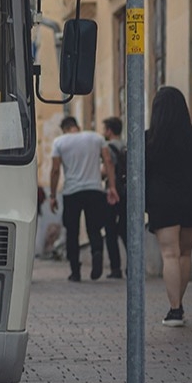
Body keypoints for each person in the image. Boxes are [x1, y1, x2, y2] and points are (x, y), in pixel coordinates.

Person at [144, 87, 192, 327]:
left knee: (170, 254)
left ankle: (175, 310)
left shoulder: (149, 138)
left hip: (163, 202)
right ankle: (178, 305)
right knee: (184, 254)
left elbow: (141, 174)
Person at [49, 116, 119, 281]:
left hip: (72, 192)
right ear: (77, 126)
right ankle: (97, 253)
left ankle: (75, 271)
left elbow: (55, 170)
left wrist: (52, 195)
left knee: (72, 232)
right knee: (94, 228)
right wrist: (112, 187)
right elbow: (108, 161)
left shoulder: (59, 142)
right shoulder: (96, 138)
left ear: (64, 128)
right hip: (94, 189)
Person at [101, 116, 127, 279]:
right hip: (127, 192)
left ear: (109, 131)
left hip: (112, 192)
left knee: (110, 230)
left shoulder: (108, 147)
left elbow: (106, 169)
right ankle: (132, 266)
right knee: (126, 230)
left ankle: (115, 268)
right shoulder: (127, 144)